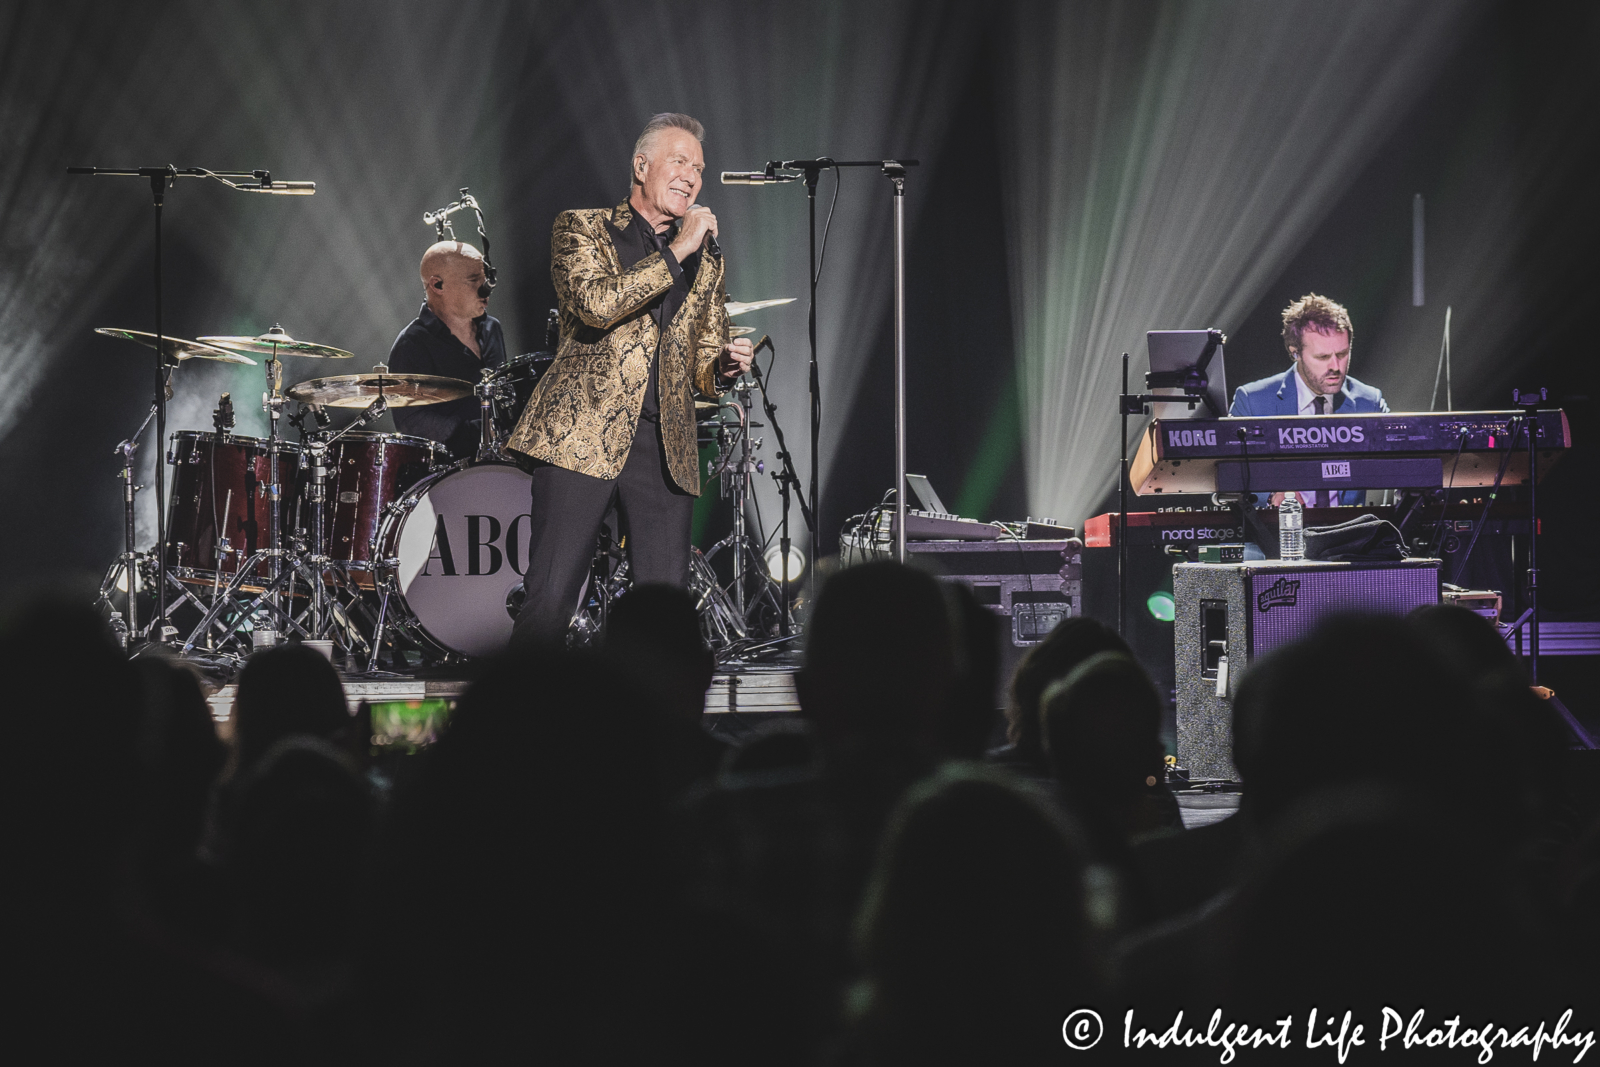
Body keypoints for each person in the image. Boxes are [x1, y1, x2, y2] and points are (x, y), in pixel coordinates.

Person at [506, 113, 752, 642]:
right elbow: (595, 304)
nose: (692, 175)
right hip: (582, 433)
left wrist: (723, 366)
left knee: (664, 621)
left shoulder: (708, 260)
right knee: (549, 599)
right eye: (680, 161)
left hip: (665, 447)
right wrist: (680, 248)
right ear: (641, 166)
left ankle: (653, 722)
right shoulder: (582, 226)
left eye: (700, 168)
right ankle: (520, 718)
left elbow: (704, 357)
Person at [1228, 293, 1388, 507]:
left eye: (1342, 354)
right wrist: (1271, 496)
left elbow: (1407, 462)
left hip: (1349, 535)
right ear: (1295, 353)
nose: (1336, 367)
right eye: (1322, 357)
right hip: (1275, 535)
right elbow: (1228, 474)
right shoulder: (1252, 401)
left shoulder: (1369, 402)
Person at [386, 240, 508, 459]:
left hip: (501, 463)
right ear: (437, 285)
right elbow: (412, 422)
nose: (486, 288)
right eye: (473, 281)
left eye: (486, 278)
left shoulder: (492, 329)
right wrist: (480, 435)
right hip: (449, 472)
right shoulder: (412, 344)